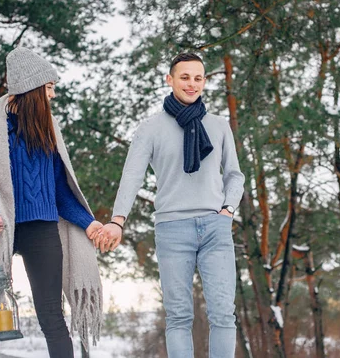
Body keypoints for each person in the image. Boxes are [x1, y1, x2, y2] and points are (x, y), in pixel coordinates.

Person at [0, 47, 103, 358]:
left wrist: (88, 222)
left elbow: (60, 190)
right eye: (49, 88)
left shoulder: (47, 126)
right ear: (32, 87)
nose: (52, 96)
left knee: (52, 316)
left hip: (41, 229)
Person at [98, 52, 245, 358]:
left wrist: (227, 211)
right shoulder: (150, 128)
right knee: (179, 317)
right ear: (170, 79)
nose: (192, 84)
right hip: (172, 229)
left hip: (216, 228)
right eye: (185, 77)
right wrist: (117, 220)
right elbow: (131, 176)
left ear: (204, 81)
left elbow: (235, 175)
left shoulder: (218, 126)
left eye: (198, 78)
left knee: (223, 315)